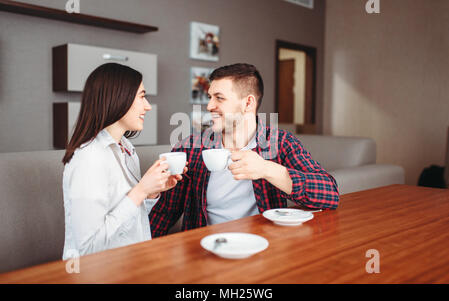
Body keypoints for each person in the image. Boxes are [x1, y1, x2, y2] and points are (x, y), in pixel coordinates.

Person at [149, 63, 339, 236]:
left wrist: (266, 169)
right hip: (206, 250)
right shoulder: (190, 148)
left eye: (219, 98)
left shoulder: (281, 143)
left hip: (265, 248)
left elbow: (329, 194)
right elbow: (164, 213)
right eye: (210, 97)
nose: (209, 106)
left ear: (248, 103)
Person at [62, 63, 186, 259]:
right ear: (118, 98)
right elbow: (88, 248)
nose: (147, 106)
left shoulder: (126, 149)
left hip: (132, 263)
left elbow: (131, 220)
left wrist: (150, 193)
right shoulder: (88, 159)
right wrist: (140, 191)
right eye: (142, 96)